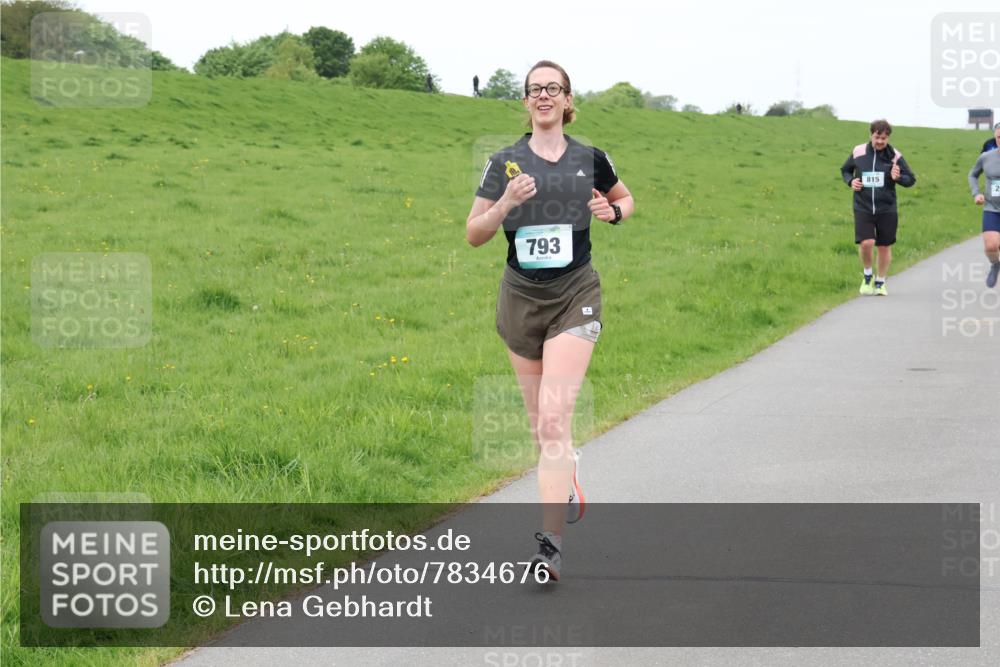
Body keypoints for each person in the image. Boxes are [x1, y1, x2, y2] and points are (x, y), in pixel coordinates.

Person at [465, 60, 633, 580]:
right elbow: (474, 232)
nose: (543, 96)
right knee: (543, 429)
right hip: (520, 298)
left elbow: (625, 197)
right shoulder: (504, 163)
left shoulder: (590, 157)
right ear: (525, 101)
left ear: (566, 100)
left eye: (552, 89)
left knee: (556, 419)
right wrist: (505, 205)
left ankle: (550, 548)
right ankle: (566, 471)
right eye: (535, 89)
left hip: (574, 293)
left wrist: (615, 212)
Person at [840, 119, 916, 296]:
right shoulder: (858, 152)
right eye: (877, 137)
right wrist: (851, 181)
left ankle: (880, 281)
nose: (880, 141)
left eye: (884, 138)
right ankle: (868, 276)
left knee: (884, 246)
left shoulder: (895, 156)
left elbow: (911, 179)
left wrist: (898, 178)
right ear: (871, 135)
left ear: (888, 137)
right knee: (867, 243)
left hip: (887, 208)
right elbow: (845, 170)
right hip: (863, 206)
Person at [969, 122, 1000, 288]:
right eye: (999, 137)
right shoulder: (986, 157)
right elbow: (973, 175)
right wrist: (976, 193)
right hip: (992, 208)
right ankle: (995, 264)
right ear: (995, 138)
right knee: (991, 246)